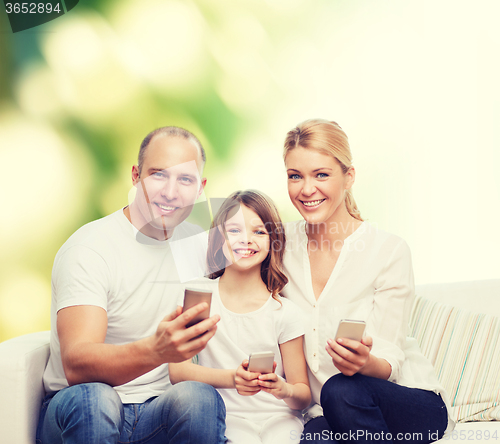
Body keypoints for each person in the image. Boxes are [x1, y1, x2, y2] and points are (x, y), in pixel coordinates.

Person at [36, 126, 227, 444]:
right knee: (97, 400)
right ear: (136, 176)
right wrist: (156, 350)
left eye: (185, 179)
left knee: (198, 398)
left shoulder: (196, 244)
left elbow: (263, 265)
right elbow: (77, 365)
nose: (170, 192)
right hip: (80, 411)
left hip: (154, 413)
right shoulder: (90, 247)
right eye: (158, 175)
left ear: (200, 188)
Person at [280, 119, 455, 444]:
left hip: (407, 401)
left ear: (349, 177)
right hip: (328, 412)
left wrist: (366, 362)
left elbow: (390, 359)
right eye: (295, 176)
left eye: (321, 174)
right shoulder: (278, 244)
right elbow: (216, 247)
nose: (306, 189)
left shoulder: (388, 250)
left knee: (340, 390)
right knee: (315, 437)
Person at [169, 190, 311, 444]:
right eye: (234, 230)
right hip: (227, 417)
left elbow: (302, 393)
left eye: (258, 231)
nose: (246, 240)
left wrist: (283, 388)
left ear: (273, 241)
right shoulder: (199, 296)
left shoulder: (286, 312)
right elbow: (178, 371)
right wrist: (232, 379)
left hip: (280, 417)